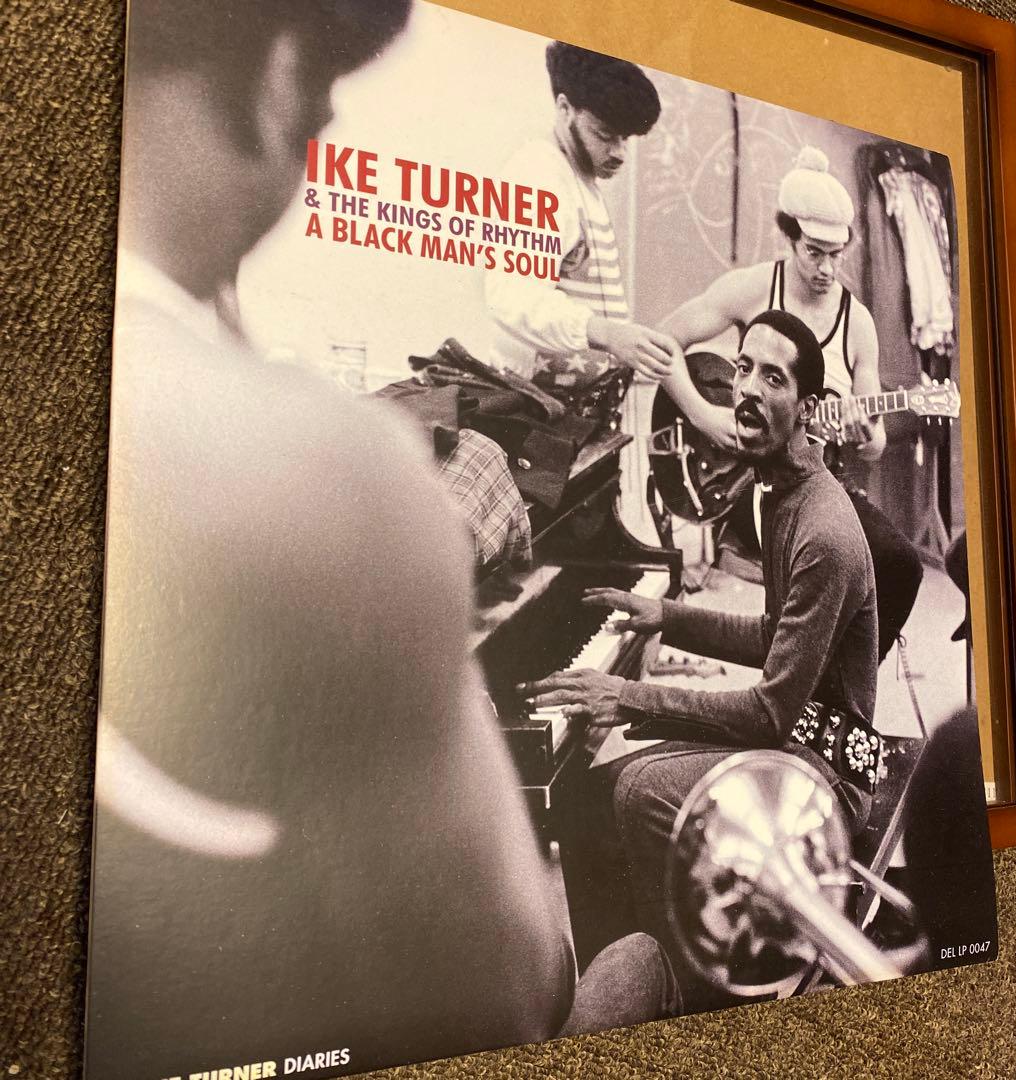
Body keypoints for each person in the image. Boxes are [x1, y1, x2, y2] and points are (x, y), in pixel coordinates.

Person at [85, 4, 677, 1078]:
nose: (327, 118)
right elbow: (512, 987)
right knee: (637, 966)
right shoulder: (329, 475)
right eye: (325, 80)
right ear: (280, 76)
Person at [521, 309, 880, 998]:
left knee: (641, 791)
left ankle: (694, 996)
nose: (746, 389)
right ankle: (619, 985)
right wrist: (668, 616)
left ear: (808, 408)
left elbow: (771, 713)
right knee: (583, 794)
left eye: (773, 378)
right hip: (796, 734)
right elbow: (777, 635)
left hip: (831, 770)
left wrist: (627, 696)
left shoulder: (824, 530)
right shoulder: (783, 492)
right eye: (743, 368)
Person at [661, 146, 922, 660]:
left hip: (817, 483)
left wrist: (865, 434)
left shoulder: (857, 322)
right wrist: (702, 414)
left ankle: (837, 683)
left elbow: (873, 445)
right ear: (789, 238)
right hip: (745, 485)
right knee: (816, 570)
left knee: (898, 565)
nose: (828, 269)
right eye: (814, 252)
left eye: (837, 254)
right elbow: (663, 340)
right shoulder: (753, 288)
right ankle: (804, 680)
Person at [486, 41, 678, 392]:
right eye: (604, 135)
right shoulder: (539, 175)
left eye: (624, 138)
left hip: (574, 408)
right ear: (565, 109)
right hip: (532, 405)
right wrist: (607, 333)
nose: (619, 153)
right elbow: (513, 295)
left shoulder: (580, 178)